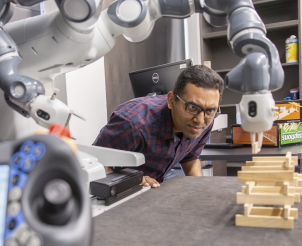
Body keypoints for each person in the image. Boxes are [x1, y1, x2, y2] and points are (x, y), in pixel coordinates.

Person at [93, 65, 224, 188]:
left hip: (159, 180)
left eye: (210, 110)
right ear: (172, 101)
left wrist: (199, 192)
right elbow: (94, 163)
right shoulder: (133, 124)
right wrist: (131, 181)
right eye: (192, 107)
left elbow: (190, 158)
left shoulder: (206, 121)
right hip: (122, 188)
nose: (200, 120)